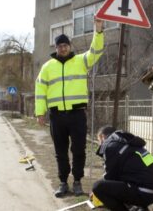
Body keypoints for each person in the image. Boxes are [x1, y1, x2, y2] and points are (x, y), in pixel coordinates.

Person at [35, 18, 104, 197]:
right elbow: (40, 90)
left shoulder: (81, 61)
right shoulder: (47, 67)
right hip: (57, 116)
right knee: (60, 151)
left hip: (77, 114)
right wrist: (40, 112)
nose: (63, 48)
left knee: (79, 149)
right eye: (60, 46)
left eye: (66, 45)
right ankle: (63, 182)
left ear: (70, 46)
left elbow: (96, 51)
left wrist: (98, 31)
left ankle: (78, 181)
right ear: (56, 48)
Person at [92, 126, 153, 211]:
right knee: (119, 182)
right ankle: (138, 208)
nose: (100, 144)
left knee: (98, 187)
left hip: (143, 191)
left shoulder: (110, 146)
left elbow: (110, 176)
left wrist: (96, 193)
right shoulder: (130, 144)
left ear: (102, 137)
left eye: (99, 141)